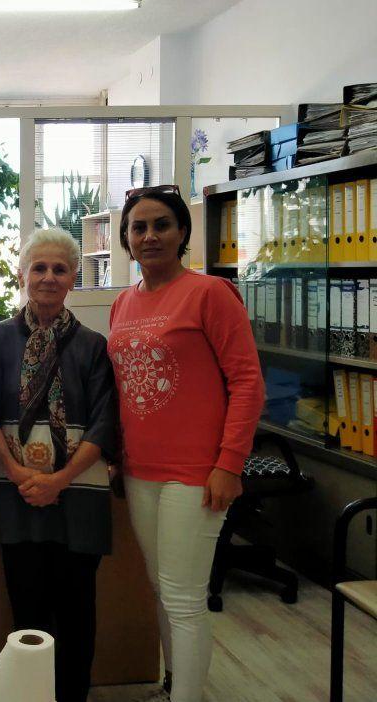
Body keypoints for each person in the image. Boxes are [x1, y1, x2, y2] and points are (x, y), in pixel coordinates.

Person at [108, 185, 264, 702]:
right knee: (161, 588)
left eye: (162, 225)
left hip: (197, 472)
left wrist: (230, 464)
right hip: (139, 470)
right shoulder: (123, 302)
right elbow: (123, 388)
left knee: (184, 598)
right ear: (127, 238)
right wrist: (117, 458)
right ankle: (175, 683)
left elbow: (247, 383)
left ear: (182, 233)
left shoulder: (210, 294)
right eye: (139, 227)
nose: (149, 236)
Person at [0, 227, 118, 702]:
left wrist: (59, 479)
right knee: (27, 611)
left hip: (78, 497)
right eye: (38, 267)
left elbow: (104, 423)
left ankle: (72, 695)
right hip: (15, 492)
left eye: (59, 269)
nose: (48, 277)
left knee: (77, 611)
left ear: (73, 278)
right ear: (22, 274)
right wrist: (17, 471)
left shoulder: (93, 345)